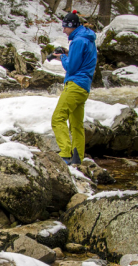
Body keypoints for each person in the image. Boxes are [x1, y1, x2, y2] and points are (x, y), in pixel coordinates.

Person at [51, 10, 97, 165]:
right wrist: (67, 52)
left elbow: (71, 67)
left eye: (65, 27)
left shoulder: (78, 41)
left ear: (72, 26)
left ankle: (65, 155)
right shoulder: (88, 39)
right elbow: (82, 59)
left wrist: (62, 57)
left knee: (58, 118)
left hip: (75, 85)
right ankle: (78, 158)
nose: (63, 30)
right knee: (76, 125)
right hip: (84, 87)